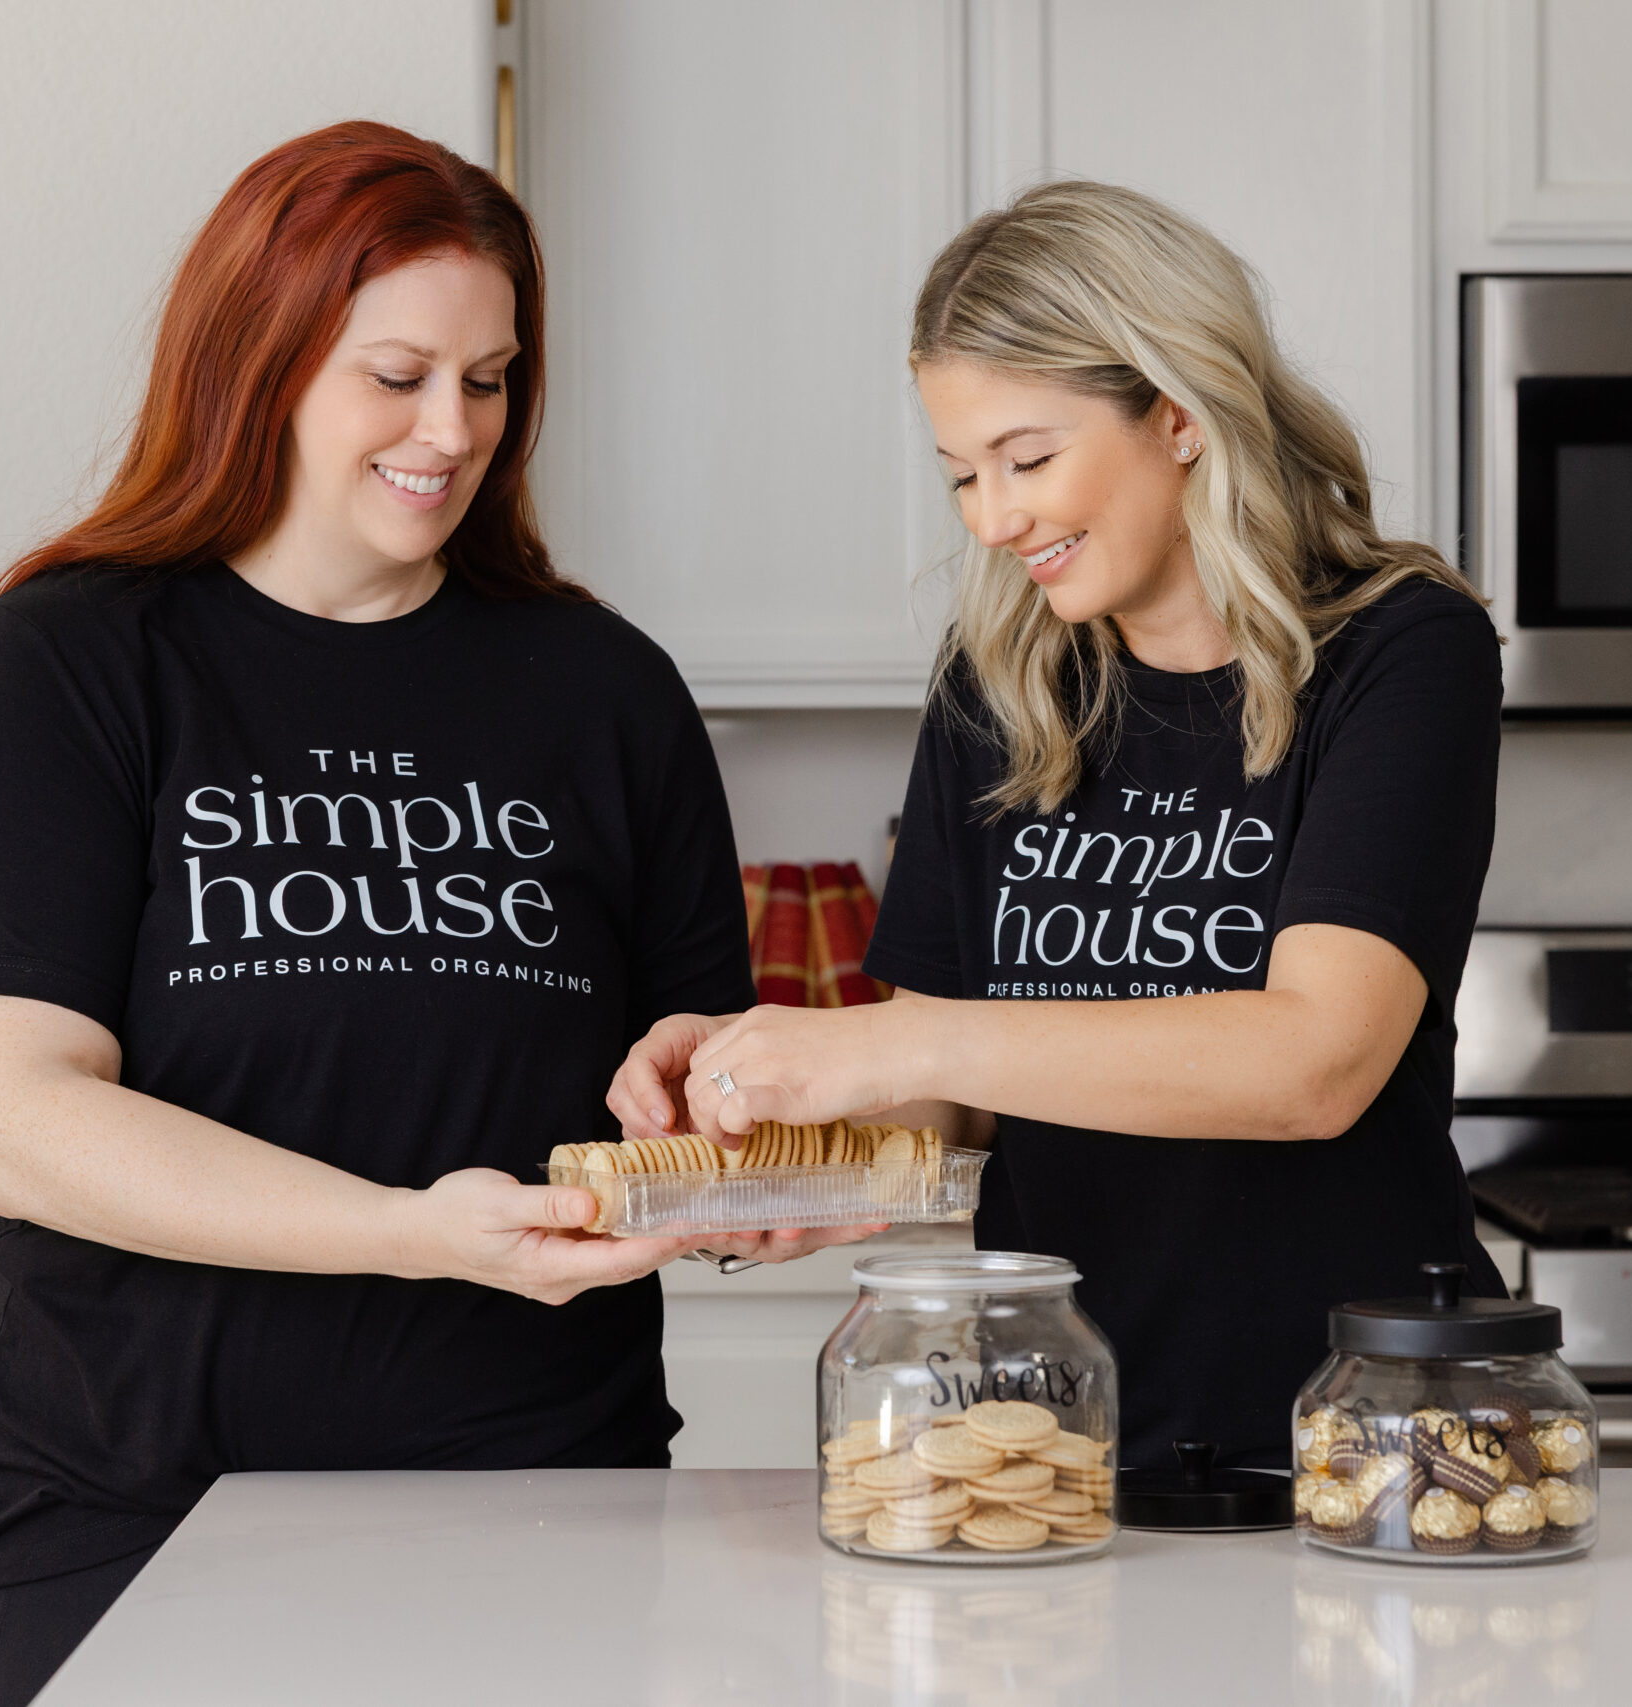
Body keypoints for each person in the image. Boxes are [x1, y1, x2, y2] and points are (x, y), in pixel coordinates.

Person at [0, 122, 863, 1707]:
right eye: (397, 374)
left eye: (489, 380)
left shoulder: (605, 690)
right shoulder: (70, 660)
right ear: (258, 362)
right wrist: (407, 1236)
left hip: (547, 1512)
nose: (453, 429)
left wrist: (730, 1156)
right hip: (133, 1515)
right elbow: (3, 1119)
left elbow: (689, 1095)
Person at [609, 181, 1506, 1474]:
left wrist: (888, 1039)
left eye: (1028, 459)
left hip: (1363, 1429)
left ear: (1180, 412)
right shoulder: (1004, 682)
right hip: (1048, 1437)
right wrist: (770, 1148)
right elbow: (948, 1113)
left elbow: (1317, 1064)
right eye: (963, 473)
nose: (992, 516)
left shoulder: (1397, 649)